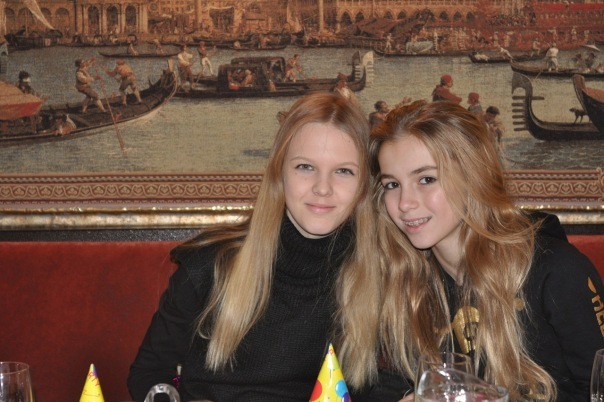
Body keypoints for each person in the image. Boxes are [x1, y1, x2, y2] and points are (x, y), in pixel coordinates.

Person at [127, 92, 382, 401]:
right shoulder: (208, 265)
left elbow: (380, 386)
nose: (322, 187)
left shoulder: (379, 278)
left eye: (343, 171)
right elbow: (149, 373)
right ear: (278, 173)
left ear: (363, 186)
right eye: (305, 167)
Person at [367, 100, 604, 401]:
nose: (404, 203)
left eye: (426, 179)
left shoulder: (558, 270)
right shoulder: (403, 275)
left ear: (473, 177)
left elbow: (597, 387)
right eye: (391, 185)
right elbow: (390, 382)